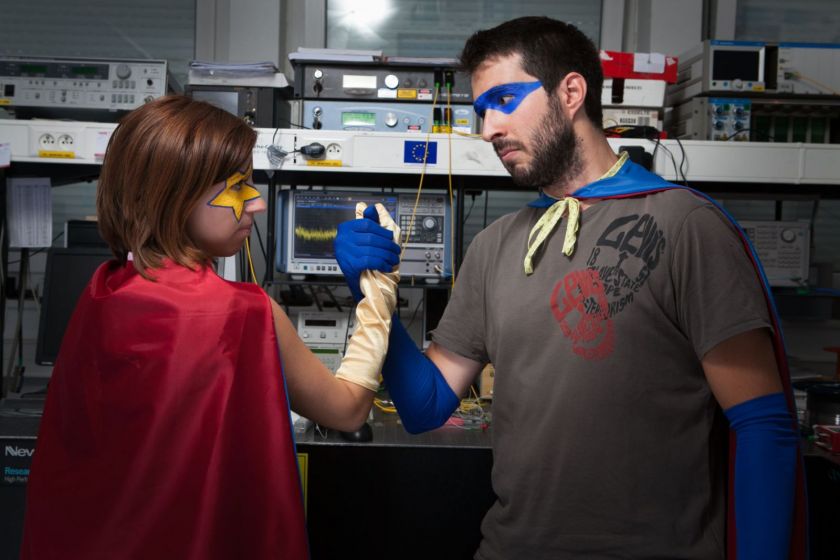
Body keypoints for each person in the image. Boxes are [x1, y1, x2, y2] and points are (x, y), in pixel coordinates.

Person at [334, 16, 807, 560]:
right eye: (481, 110)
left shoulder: (686, 225)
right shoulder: (495, 246)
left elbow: (763, 425)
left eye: (505, 99)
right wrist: (375, 296)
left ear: (571, 92)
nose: (488, 127)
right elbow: (425, 407)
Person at [21, 95, 400, 560]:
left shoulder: (102, 291)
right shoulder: (239, 313)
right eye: (239, 188)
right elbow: (346, 412)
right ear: (175, 196)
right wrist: (377, 300)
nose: (257, 205)